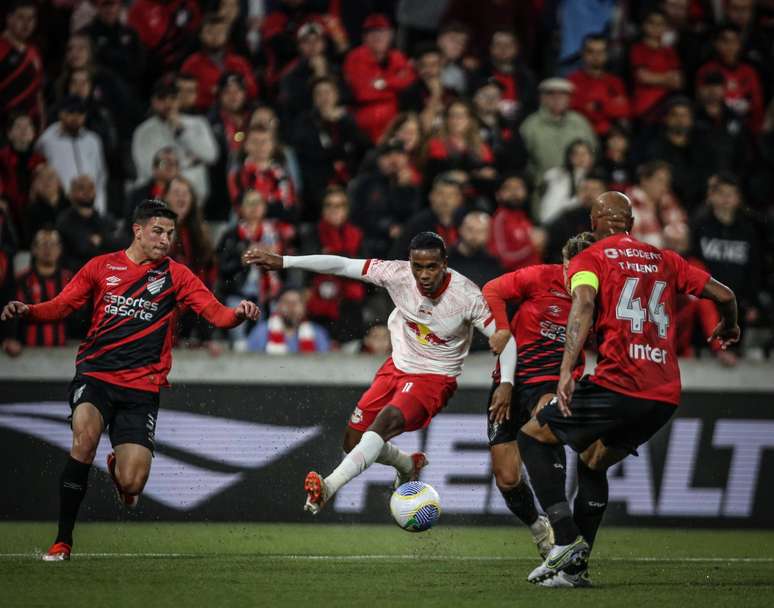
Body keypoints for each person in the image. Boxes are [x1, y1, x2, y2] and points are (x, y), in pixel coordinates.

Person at [0, 199, 259, 561]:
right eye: (158, 231)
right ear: (137, 230)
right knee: (85, 438)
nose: (165, 239)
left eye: (170, 233)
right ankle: (62, 541)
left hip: (141, 389)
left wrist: (238, 313)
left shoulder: (177, 275)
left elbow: (215, 313)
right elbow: (63, 305)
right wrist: (28, 311)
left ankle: (118, 470)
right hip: (96, 375)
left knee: (132, 483)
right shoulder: (101, 267)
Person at [516, 191, 739, 587]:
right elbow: (725, 295)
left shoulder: (591, 258)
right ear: (631, 225)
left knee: (533, 435)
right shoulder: (666, 259)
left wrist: (566, 369)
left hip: (619, 382)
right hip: (665, 394)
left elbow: (582, 304)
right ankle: (574, 572)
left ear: (593, 222)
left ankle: (565, 540)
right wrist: (730, 324)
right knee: (594, 459)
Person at [243, 231, 517, 514]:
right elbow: (342, 265)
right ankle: (407, 465)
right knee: (353, 442)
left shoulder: (466, 295)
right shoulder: (396, 274)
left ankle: (328, 487)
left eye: (432, 266)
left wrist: (506, 383)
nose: (424, 275)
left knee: (385, 422)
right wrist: (285, 261)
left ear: (444, 263)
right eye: (418, 266)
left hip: (435, 378)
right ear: (409, 263)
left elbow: (506, 339)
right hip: (395, 368)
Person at [482, 231, 595, 559]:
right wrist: (502, 328)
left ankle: (564, 534)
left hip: (552, 384)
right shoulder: (538, 277)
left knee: (543, 427)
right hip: (510, 380)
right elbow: (493, 290)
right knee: (506, 478)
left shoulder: (597, 298)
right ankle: (538, 527)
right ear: (563, 262)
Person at [3, 228, 71, 355]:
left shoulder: (70, 280)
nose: (48, 249)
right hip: (26, 358)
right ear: (34, 249)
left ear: (60, 249)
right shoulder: (21, 280)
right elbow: (10, 315)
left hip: (63, 357)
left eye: (52, 244)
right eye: (43, 244)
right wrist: (10, 339)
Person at [36, 96, 108, 216]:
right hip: (61, 208)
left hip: (91, 206)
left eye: (80, 113)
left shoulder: (93, 140)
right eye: (70, 112)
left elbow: (101, 176)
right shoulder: (47, 141)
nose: (75, 117)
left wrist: (100, 208)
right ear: (60, 114)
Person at [245, 287, 331, 354]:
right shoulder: (261, 332)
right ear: (278, 306)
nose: (291, 308)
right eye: (287, 302)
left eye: (296, 303)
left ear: (304, 307)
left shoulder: (318, 334)